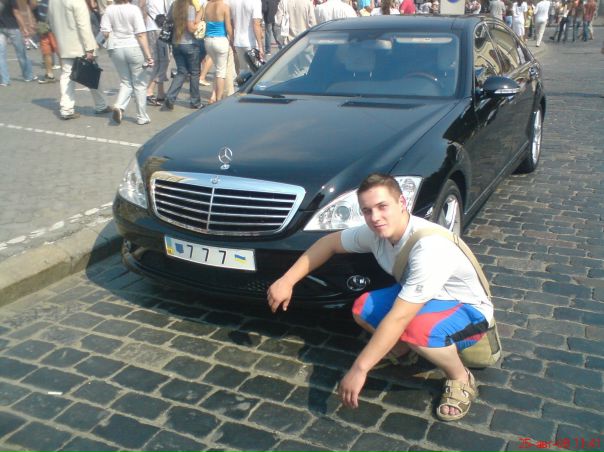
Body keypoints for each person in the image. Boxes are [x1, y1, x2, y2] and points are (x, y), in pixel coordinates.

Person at [268, 173, 494, 421]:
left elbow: (398, 318)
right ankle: (405, 352)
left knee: (415, 330)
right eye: (367, 211)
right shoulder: (375, 233)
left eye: (382, 206)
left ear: (402, 203)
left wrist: (360, 368)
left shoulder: (429, 248)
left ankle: (460, 377)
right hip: (424, 297)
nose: (375, 217)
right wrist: (287, 280)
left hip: (467, 308)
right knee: (363, 308)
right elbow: (329, 243)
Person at [48, 0, 112, 119]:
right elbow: (83, 26)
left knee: (67, 76)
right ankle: (101, 105)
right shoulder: (77, 1)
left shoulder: (52, 2)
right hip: (80, 45)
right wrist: (89, 48)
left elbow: (52, 23)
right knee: (92, 74)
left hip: (64, 45)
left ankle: (66, 109)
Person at [100, 0, 154, 125]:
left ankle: (119, 106)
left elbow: (105, 33)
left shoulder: (109, 9)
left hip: (116, 48)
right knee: (139, 83)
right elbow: (141, 34)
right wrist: (148, 56)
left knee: (126, 81)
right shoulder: (134, 9)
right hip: (133, 47)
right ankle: (141, 116)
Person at [162, 0, 203, 110]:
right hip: (189, 43)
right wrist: (199, 22)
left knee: (182, 72)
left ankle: (170, 97)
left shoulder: (174, 5)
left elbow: (168, 20)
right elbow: (191, 28)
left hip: (176, 43)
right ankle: (195, 101)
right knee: (194, 73)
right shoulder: (190, 8)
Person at [140, 0, 172, 106]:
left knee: (158, 61)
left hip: (150, 27)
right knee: (165, 61)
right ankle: (150, 90)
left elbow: (142, 6)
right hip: (161, 29)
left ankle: (160, 92)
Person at [0, 0, 36, 86]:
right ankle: (28, 76)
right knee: (21, 53)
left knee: (1, 55)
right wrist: (24, 28)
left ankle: (5, 80)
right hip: (13, 27)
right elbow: (16, 12)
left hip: (1, 28)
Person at [203, 0, 232, 102]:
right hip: (220, 40)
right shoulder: (224, 6)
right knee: (221, 72)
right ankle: (219, 99)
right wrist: (232, 40)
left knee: (217, 69)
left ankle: (213, 96)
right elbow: (228, 27)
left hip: (208, 40)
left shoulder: (207, 5)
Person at [229, 0, 263, 74]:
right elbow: (256, 24)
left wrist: (232, 40)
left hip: (238, 41)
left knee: (243, 70)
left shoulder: (232, 1)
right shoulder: (255, 2)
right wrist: (260, 46)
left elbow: (231, 24)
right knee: (256, 71)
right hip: (251, 42)